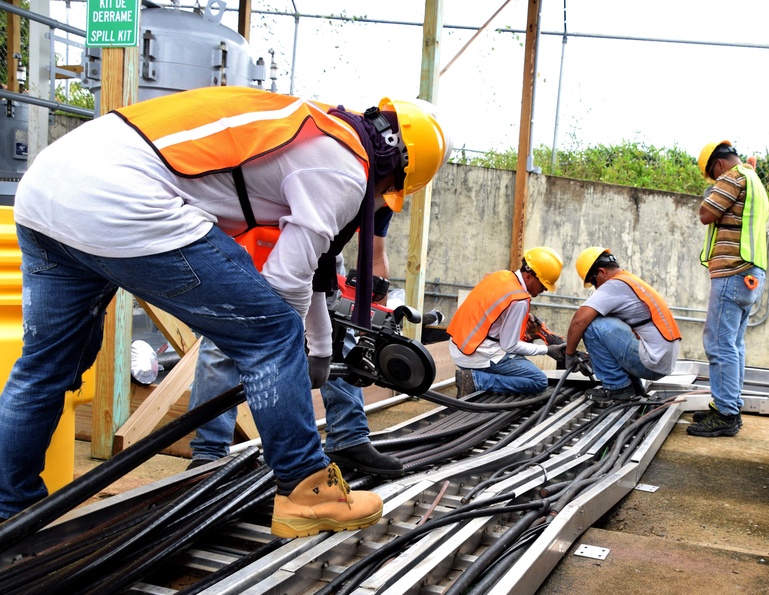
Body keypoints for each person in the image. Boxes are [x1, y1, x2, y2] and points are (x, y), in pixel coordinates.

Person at [0, 86, 450, 539]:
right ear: (396, 171)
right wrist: (291, 352)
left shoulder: (319, 128)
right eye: (391, 194)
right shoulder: (345, 170)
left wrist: (320, 347)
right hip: (124, 197)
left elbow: (315, 268)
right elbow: (286, 284)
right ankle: (306, 491)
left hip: (46, 191)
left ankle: (11, 512)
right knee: (272, 331)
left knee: (43, 369)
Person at [186, 206, 403, 476]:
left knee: (340, 330)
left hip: (321, 251)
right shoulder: (344, 174)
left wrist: (369, 310)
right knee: (221, 345)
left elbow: (375, 253)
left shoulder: (386, 190)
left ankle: (350, 436)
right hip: (251, 239)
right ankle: (209, 454)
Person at [687, 139, 769, 437]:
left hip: (733, 272)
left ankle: (725, 414)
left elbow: (706, 214)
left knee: (719, 344)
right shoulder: (753, 179)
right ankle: (729, 405)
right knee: (733, 345)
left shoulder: (732, 177)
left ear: (718, 164)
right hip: (750, 272)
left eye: (713, 176)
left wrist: (714, 188)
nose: (714, 182)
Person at [564, 248, 681, 403]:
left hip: (652, 361)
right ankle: (633, 385)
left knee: (592, 325)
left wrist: (569, 355)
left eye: (593, 281)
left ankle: (617, 387)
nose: (595, 287)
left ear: (602, 272)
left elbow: (579, 320)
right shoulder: (629, 280)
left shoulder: (614, 285)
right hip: (661, 360)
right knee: (606, 319)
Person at [447, 247, 564, 395]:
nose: (545, 290)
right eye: (543, 284)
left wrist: (523, 318)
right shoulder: (519, 300)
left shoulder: (500, 276)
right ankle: (476, 380)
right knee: (538, 381)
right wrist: (547, 350)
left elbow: (493, 309)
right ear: (529, 276)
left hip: (459, 345)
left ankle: (478, 377)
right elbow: (510, 346)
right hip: (476, 354)